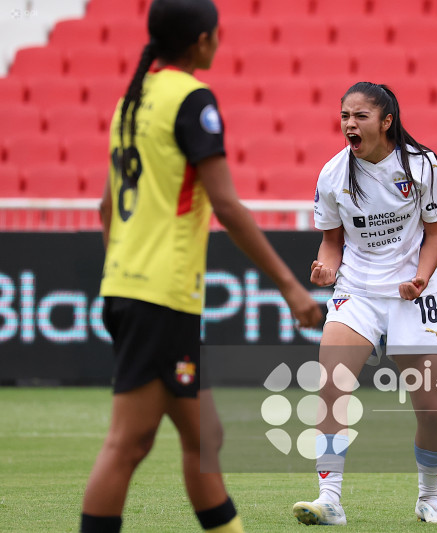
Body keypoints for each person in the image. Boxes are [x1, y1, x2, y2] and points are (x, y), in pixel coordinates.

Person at [80, 1, 322, 532]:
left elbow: (105, 207)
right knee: (128, 442)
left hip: (133, 287)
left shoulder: (132, 100)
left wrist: (124, 271)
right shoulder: (192, 100)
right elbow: (227, 206)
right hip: (161, 295)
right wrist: (289, 287)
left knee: (203, 439)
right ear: (202, 41)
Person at [291, 81, 437, 526]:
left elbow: (434, 234)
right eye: (344, 115)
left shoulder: (422, 165)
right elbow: (331, 243)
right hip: (356, 290)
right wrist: (325, 270)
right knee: (330, 390)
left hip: (412, 295)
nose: (349, 124)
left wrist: (420, 278)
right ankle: (329, 499)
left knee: (431, 409)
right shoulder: (333, 174)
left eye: (359, 116)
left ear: (386, 122)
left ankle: (428, 498)